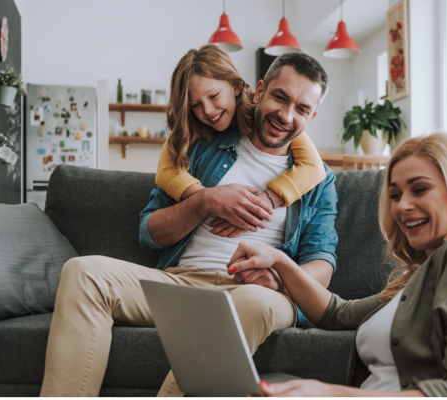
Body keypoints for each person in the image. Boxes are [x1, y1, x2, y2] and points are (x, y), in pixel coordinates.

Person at [40, 51, 338, 397]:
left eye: (301, 109)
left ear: (312, 116)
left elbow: (322, 265)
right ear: (258, 91)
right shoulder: (202, 144)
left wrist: (280, 275)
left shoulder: (319, 181)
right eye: (279, 97)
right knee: (82, 272)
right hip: (183, 283)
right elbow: (149, 232)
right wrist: (205, 200)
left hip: (258, 293)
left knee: (253, 304)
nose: (286, 115)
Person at [227, 133, 447, 397]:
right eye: (395, 194)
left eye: (420, 189)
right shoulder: (419, 279)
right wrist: (279, 260)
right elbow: (336, 314)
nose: (401, 206)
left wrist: (330, 393)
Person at [155, 44, 326, 238]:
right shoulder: (192, 132)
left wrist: (263, 202)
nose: (209, 110)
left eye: (214, 96)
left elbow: (314, 168)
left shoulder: (270, 119)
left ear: (236, 86)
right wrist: (210, 198)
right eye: (196, 104)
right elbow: (166, 173)